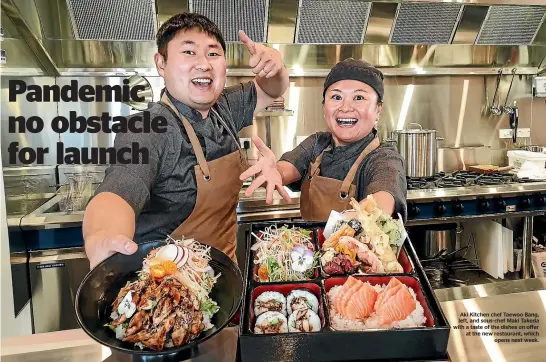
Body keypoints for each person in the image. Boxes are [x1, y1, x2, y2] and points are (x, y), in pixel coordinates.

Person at [83, 12, 290, 268]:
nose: (203, 64)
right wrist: (102, 235)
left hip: (226, 275)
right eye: (189, 52)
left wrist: (277, 66)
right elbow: (120, 189)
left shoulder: (224, 107)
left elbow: (272, 88)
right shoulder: (147, 129)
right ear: (161, 63)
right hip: (172, 286)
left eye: (213, 54)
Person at [241, 58, 407, 222]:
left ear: (378, 109)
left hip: (360, 248)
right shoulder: (317, 144)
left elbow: (383, 200)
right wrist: (269, 172)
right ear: (324, 107)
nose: (345, 107)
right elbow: (285, 170)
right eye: (336, 97)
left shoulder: (384, 158)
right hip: (313, 247)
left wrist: (355, 220)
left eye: (359, 98)